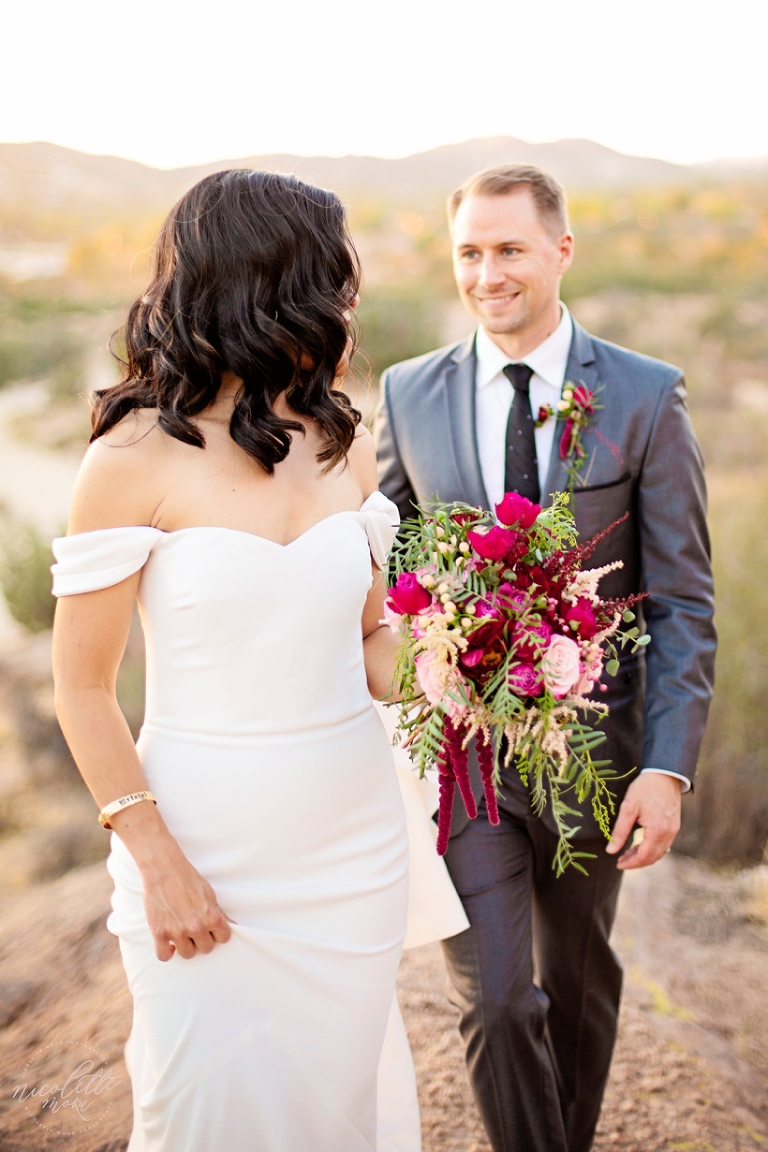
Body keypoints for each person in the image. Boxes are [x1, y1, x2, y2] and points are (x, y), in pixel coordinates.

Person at [50, 169, 422, 1152]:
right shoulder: (131, 456)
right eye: (333, 277)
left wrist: (468, 669)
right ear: (272, 283)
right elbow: (82, 689)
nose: (349, 300)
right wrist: (159, 863)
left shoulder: (347, 441)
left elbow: (372, 642)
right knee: (198, 1112)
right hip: (204, 851)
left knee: (339, 1109)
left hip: (353, 850)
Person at [375, 163, 716, 1152]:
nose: (489, 273)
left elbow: (686, 598)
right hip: (466, 759)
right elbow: (395, 568)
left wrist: (667, 763)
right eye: (470, 252)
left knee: (571, 990)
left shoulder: (647, 397)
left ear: (560, 251)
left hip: (595, 755)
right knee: (496, 1004)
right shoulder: (408, 395)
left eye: (510, 249)